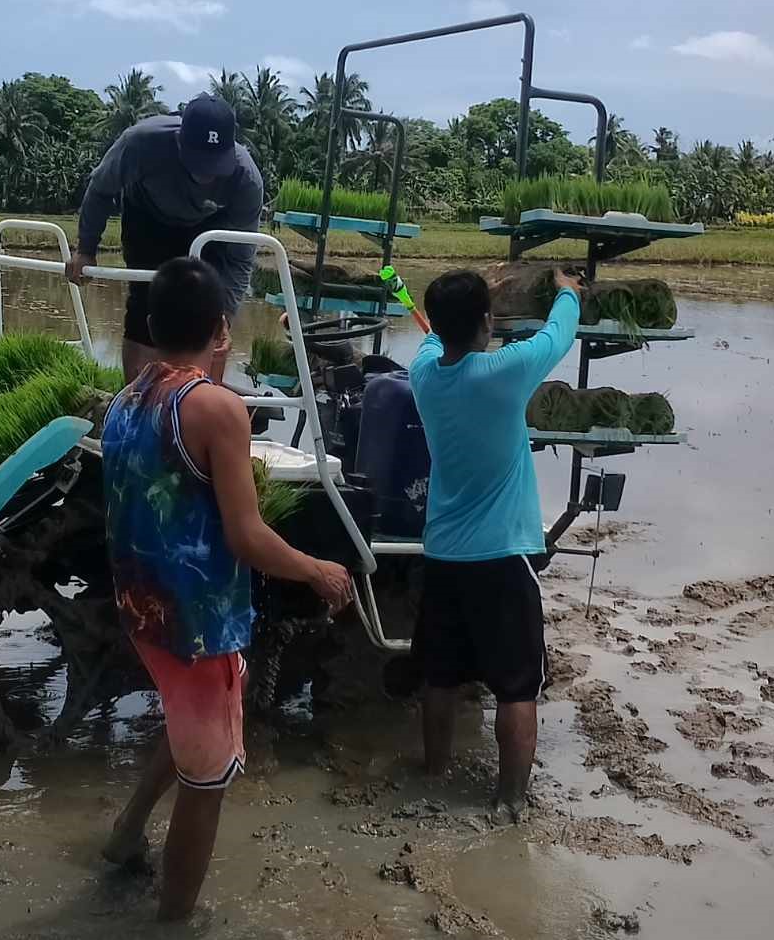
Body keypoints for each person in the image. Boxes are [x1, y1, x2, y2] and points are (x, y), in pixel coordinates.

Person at [99, 256, 354, 921]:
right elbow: (247, 537)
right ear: (221, 328)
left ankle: (126, 833)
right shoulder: (215, 407)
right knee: (208, 780)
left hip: (141, 606)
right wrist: (317, 570)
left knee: (191, 731)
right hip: (197, 621)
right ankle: (174, 919)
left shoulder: (127, 398)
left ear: (150, 326)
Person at [407, 264, 583, 822]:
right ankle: (510, 800)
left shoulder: (424, 377)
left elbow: (434, 339)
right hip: (503, 557)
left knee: (440, 673)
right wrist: (567, 292)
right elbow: (558, 335)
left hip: (443, 554)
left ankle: (434, 773)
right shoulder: (506, 371)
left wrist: (457, 307)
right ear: (487, 322)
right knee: (516, 685)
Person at [66, 94, 262, 382]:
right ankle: (137, 399)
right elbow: (100, 190)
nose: (207, 175)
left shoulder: (246, 179)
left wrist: (226, 316)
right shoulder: (141, 143)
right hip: (148, 215)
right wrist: (86, 250)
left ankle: (204, 399)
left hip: (210, 227)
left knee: (211, 316)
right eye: (199, 163)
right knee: (147, 300)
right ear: (180, 142)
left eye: (215, 165)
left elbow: (240, 257)